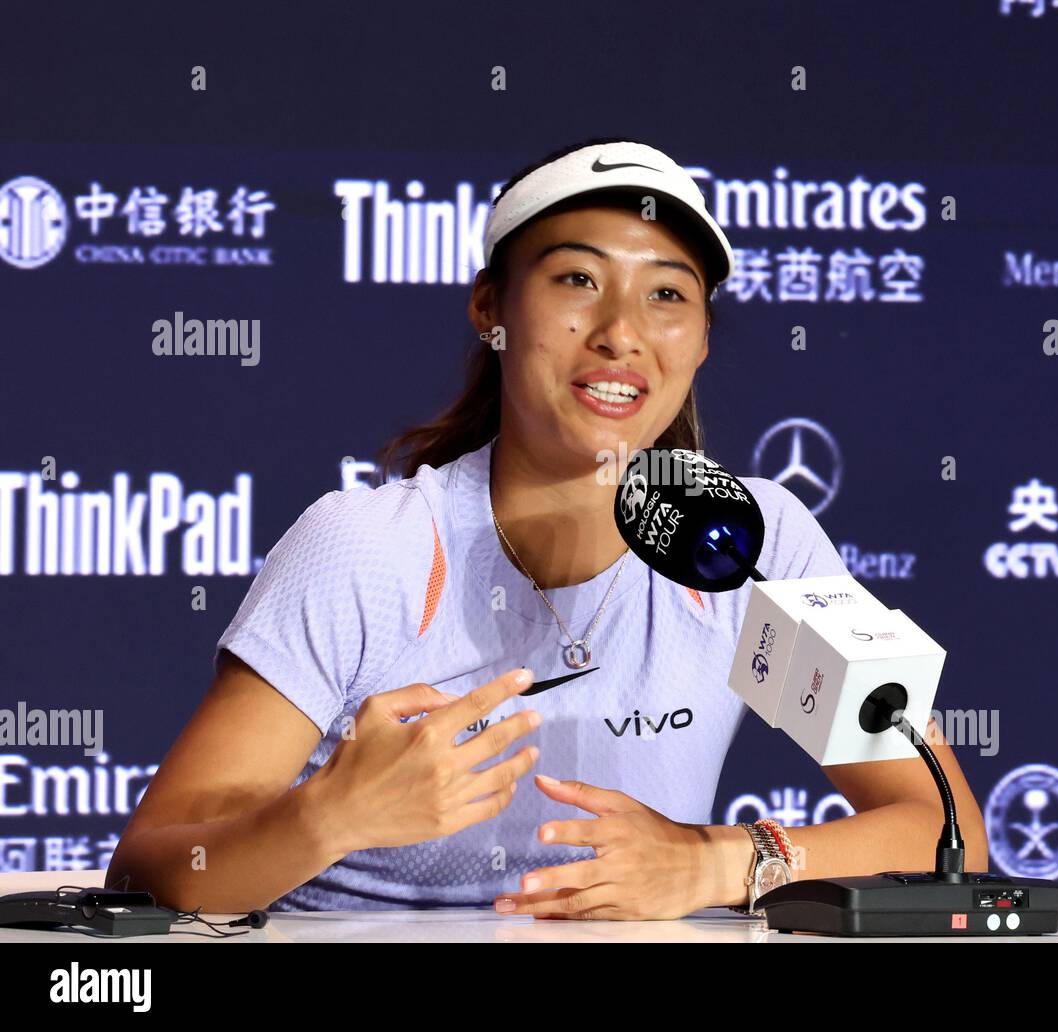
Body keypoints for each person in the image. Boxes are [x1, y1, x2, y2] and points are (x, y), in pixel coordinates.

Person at [107, 137, 987, 920]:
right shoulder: (366, 545)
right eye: (577, 280)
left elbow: (944, 834)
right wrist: (328, 815)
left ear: (704, 340)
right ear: (491, 309)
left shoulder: (753, 542)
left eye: (667, 295)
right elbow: (153, 866)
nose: (620, 334)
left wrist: (714, 863)